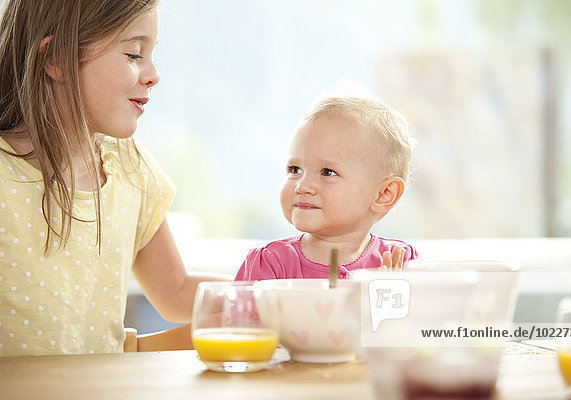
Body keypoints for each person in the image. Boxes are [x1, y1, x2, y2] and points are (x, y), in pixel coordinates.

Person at [0, 0, 228, 357]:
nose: (153, 73)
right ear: (57, 59)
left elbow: (177, 290)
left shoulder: (130, 167)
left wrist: (272, 294)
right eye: (135, 54)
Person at [235, 92, 419, 281]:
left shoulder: (403, 263)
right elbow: (241, 310)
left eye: (327, 172)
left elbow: (429, 310)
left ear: (384, 194)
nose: (302, 186)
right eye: (295, 169)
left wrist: (389, 296)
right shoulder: (269, 262)